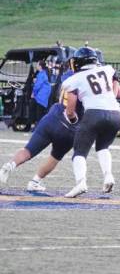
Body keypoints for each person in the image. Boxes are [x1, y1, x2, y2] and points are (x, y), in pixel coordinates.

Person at [0, 62, 82, 191]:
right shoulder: (85, 79)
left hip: (52, 116)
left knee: (28, 150)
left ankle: (9, 165)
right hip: (68, 126)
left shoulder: (68, 76)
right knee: (55, 157)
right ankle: (35, 181)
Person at [60, 47, 120, 198]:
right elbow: (118, 89)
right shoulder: (108, 69)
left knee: (79, 152)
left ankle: (80, 183)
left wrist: (74, 120)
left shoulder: (73, 79)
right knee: (103, 147)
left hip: (93, 113)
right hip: (115, 113)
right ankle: (108, 176)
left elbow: (70, 110)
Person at [30, 60, 51, 127]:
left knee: (38, 114)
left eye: (37, 65)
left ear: (40, 66)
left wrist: (33, 93)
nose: (36, 66)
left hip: (40, 97)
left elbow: (37, 86)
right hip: (43, 97)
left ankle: (37, 127)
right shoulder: (43, 74)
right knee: (40, 113)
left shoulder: (41, 74)